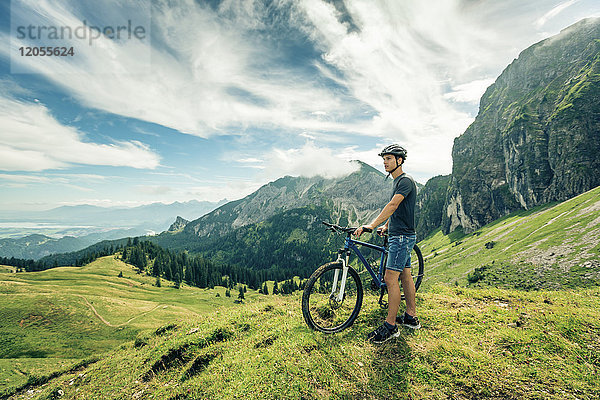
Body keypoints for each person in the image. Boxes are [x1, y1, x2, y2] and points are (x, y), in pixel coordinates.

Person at [354, 144, 421, 344]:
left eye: (389, 159)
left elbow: (392, 205)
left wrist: (372, 225)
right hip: (400, 234)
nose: (385, 162)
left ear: (399, 160)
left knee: (390, 279)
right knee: (406, 275)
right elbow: (399, 209)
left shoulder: (405, 181)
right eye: (384, 159)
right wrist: (387, 225)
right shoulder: (399, 181)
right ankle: (411, 317)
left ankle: (390, 326)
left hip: (401, 238)